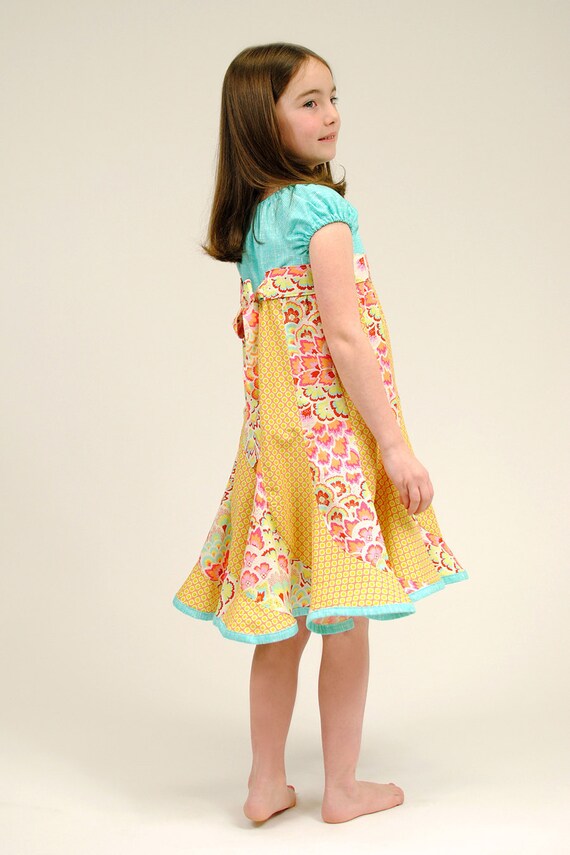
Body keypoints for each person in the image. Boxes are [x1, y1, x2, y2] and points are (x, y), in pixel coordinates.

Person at [173, 42, 469, 824]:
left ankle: (264, 783)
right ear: (260, 121)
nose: (330, 114)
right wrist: (395, 446)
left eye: (333, 96)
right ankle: (343, 787)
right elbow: (344, 337)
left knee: (286, 622)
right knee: (345, 617)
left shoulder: (258, 221)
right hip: (332, 446)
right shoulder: (320, 211)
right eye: (309, 102)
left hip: (272, 452)